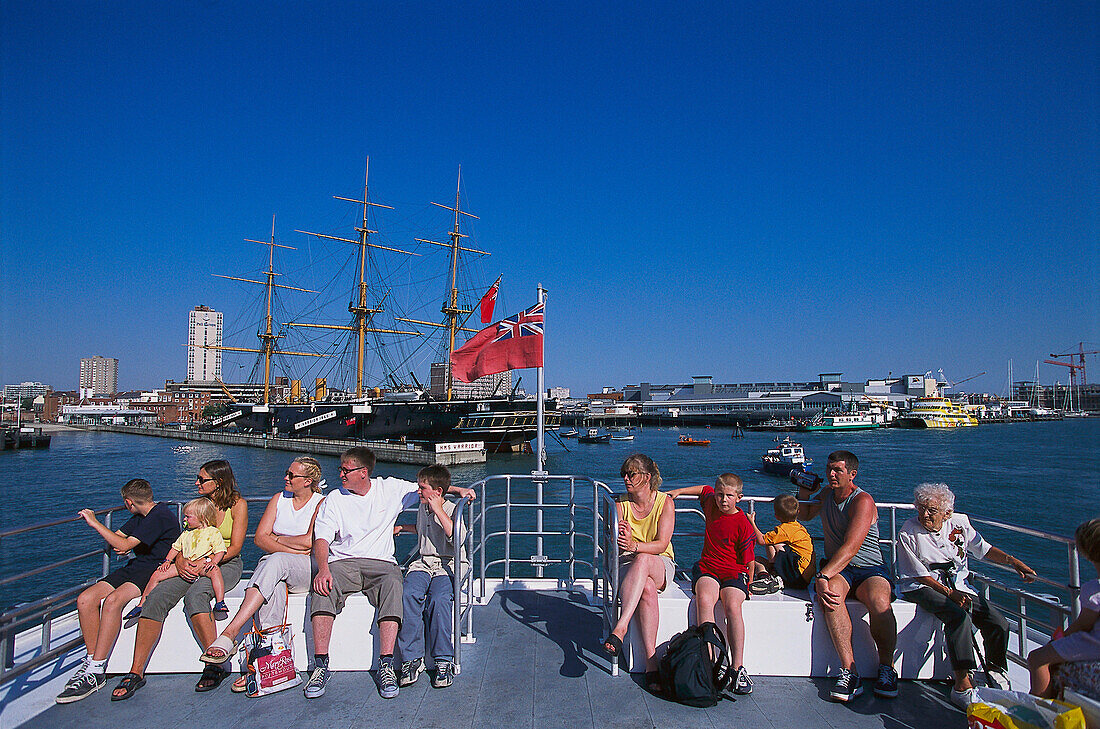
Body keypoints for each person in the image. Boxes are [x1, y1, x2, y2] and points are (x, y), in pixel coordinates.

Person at [304, 448, 475, 700]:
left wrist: (457, 491)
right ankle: (323, 665)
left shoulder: (393, 490)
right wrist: (324, 569)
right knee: (329, 589)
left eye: (345, 470)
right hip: (350, 563)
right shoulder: (334, 499)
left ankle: (404, 662)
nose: (339, 473)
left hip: (409, 564)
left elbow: (432, 492)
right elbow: (321, 538)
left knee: (417, 592)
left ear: (363, 473)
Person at [113, 459, 248, 700]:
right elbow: (183, 540)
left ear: (218, 483)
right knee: (156, 597)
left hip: (224, 563)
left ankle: (214, 662)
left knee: (197, 595)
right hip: (189, 562)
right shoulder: (197, 506)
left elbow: (236, 547)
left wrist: (207, 561)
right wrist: (182, 562)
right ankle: (136, 671)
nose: (196, 483)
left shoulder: (238, 505)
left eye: (201, 479)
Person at [896, 483, 1035, 707]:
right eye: (921, 508)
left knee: (998, 622)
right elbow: (917, 574)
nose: (924, 514)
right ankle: (962, 684)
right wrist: (949, 593)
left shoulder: (960, 523)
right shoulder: (908, 531)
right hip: (923, 587)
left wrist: (1013, 562)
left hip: (959, 585)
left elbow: (983, 549)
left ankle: (996, 669)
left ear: (947, 512)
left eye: (931, 510)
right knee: (958, 618)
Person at [200, 456, 325, 693]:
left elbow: (311, 541)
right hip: (279, 567)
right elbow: (259, 538)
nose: (285, 478)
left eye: (291, 475)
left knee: (273, 560)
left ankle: (230, 632)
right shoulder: (279, 499)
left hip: (305, 569)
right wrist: (290, 548)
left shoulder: (321, 503)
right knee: (274, 584)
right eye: (286, 473)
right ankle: (263, 665)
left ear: (308, 481)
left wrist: (277, 540)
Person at [55, 479, 180, 703]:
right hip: (135, 567)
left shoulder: (159, 515)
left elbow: (122, 545)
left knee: (113, 602)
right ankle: (93, 662)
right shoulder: (140, 517)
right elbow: (119, 540)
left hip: (153, 570)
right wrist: (122, 543)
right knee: (86, 599)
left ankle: (96, 670)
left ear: (128, 502)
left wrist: (95, 523)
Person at [797, 450, 898, 703]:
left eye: (838, 470)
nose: (831, 474)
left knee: (879, 602)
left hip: (869, 568)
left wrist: (823, 574)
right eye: (829, 468)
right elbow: (804, 515)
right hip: (839, 569)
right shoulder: (827, 494)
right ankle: (849, 671)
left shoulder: (862, 501)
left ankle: (887, 667)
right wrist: (805, 491)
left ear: (852, 474)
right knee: (831, 597)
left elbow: (851, 547)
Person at [666, 473, 756, 695]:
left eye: (728, 496)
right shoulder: (710, 503)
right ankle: (710, 661)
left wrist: (750, 585)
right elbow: (703, 488)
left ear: (739, 497)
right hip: (708, 567)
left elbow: (750, 561)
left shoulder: (743, 524)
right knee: (705, 600)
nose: (723, 500)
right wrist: (678, 491)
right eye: (719, 495)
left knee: (733, 606)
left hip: (734, 572)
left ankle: (737, 667)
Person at [601, 453, 675, 693]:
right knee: (647, 589)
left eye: (631, 474)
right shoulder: (620, 505)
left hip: (660, 563)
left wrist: (636, 546)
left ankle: (620, 627)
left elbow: (662, 544)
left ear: (647, 477)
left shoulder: (665, 503)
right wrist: (622, 538)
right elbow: (617, 545)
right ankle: (651, 663)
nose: (625, 478)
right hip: (627, 563)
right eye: (624, 473)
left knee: (643, 559)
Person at [395, 464, 467, 690]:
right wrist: (401, 528)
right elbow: (423, 529)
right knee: (409, 594)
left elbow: (457, 540)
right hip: (423, 563)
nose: (418, 492)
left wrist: (439, 509)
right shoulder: (422, 507)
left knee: (439, 599)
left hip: (448, 563)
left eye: (422, 488)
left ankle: (443, 659)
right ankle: (411, 657)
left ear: (436, 492)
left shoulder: (453, 510)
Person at [1029, 517, 1100, 698]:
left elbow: (1083, 625)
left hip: (1094, 643)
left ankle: (1037, 709)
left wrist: (1058, 639)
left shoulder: (1094, 590)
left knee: (1037, 659)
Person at [126, 498, 228, 621]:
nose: (184, 519)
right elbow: (175, 548)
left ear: (202, 517)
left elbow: (220, 551)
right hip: (186, 563)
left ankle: (220, 601)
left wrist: (213, 562)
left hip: (203, 565)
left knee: (215, 572)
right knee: (157, 574)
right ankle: (141, 604)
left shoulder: (213, 533)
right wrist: (167, 561)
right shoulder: (186, 533)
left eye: (188, 517)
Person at [747, 493, 816, 592]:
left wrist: (752, 522)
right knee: (759, 559)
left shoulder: (784, 530)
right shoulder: (799, 528)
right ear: (798, 512)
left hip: (796, 575)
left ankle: (770, 576)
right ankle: (769, 575)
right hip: (805, 578)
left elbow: (761, 540)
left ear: (776, 516)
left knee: (768, 544)